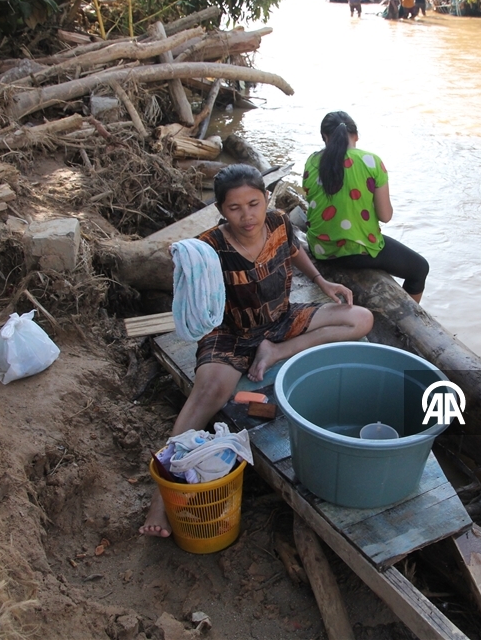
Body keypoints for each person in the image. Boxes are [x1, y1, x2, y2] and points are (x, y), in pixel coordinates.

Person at [140, 164, 373, 537]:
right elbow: (190, 287)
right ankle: (161, 495)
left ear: (266, 199)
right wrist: (182, 261)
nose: (247, 215)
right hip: (230, 332)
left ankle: (276, 352)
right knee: (208, 395)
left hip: (281, 320)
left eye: (253, 203)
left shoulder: (279, 222)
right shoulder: (209, 247)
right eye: (235, 208)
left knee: (359, 318)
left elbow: (295, 250)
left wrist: (320, 280)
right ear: (220, 210)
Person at [302, 111, 430, 303]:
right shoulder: (371, 161)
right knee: (420, 268)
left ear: (325, 138)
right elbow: (385, 216)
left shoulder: (312, 161)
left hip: (321, 249)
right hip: (357, 252)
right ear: (356, 136)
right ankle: (409, 316)